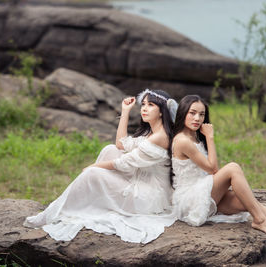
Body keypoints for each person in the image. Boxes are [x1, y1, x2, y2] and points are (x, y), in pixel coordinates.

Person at [24, 89, 179, 244]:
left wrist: (94, 166)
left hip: (148, 198)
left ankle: (52, 213)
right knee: (110, 149)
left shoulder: (161, 136)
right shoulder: (150, 133)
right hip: (140, 182)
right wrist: (125, 112)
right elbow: (120, 145)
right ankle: (75, 203)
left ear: (161, 111)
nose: (144, 108)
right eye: (143, 104)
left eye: (150, 105)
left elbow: (123, 163)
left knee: (93, 174)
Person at [171, 95, 266, 249]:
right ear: (183, 112)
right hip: (190, 200)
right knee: (233, 167)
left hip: (204, 192)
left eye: (201, 114)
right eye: (192, 113)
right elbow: (213, 168)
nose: (197, 118)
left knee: (251, 203)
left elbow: (210, 172)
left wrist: (221, 188)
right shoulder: (183, 140)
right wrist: (210, 136)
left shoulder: (194, 136)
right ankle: (260, 221)